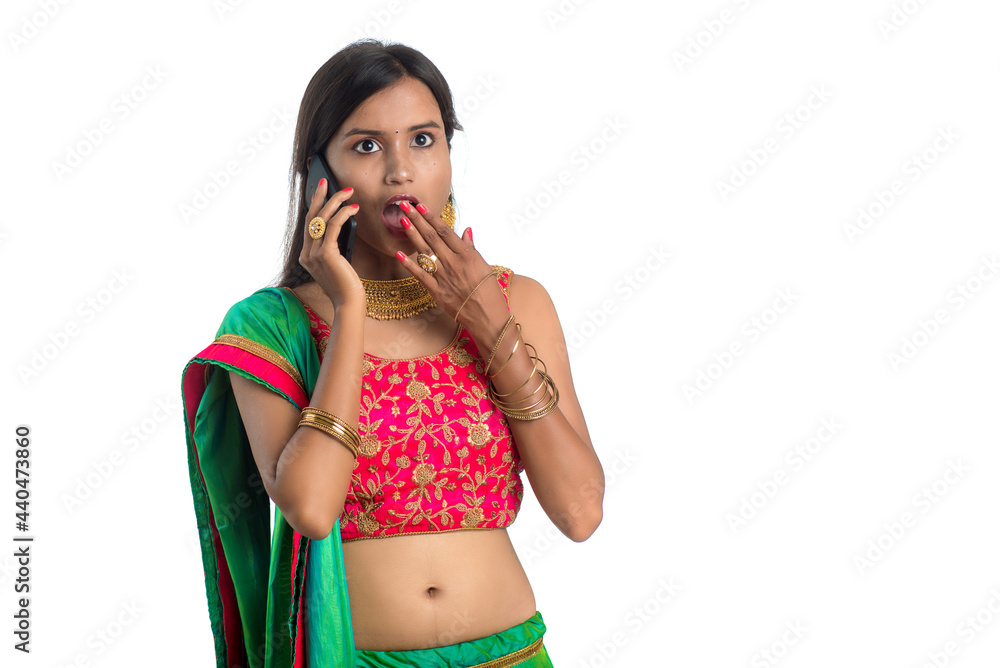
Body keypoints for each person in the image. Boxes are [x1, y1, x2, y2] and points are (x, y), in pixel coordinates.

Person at [181, 39, 604, 667]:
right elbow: (311, 509)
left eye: (423, 140)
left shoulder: (519, 302)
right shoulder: (273, 324)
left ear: (450, 155)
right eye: (367, 146)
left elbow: (580, 512)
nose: (401, 171)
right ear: (318, 175)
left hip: (513, 653)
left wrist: (494, 331)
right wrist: (348, 308)